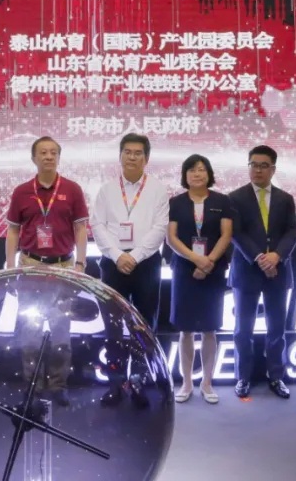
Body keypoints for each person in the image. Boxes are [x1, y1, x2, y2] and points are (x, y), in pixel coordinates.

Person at [4, 136, 89, 406]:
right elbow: (13, 231)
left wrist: (80, 264)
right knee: (30, 333)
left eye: (53, 152)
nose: (49, 157)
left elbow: (80, 229)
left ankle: (58, 385)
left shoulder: (73, 190)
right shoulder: (21, 192)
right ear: (34, 158)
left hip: (63, 267)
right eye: (43, 152)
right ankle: (33, 385)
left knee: (61, 333)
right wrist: (10, 266)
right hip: (30, 266)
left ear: (59, 157)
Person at [91, 133, 169, 407]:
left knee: (144, 325)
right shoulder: (107, 189)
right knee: (112, 325)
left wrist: (134, 256)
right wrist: (117, 255)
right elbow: (97, 225)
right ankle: (115, 383)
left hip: (146, 264)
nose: (132, 157)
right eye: (127, 152)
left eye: (138, 153)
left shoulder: (158, 189)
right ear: (120, 156)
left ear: (146, 158)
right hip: (113, 264)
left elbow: (160, 228)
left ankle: (141, 382)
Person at [228, 145, 296, 400]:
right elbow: (236, 233)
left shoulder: (285, 198)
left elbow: (292, 230)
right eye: (253, 165)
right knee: (242, 330)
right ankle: (243, 377)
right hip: (247, 271)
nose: (258, 170)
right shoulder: (235, 198)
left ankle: (276, 376)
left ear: (273, 169)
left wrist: (277, 257)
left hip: (277, 271)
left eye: (263, 166)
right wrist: (259, 258)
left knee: (276, 329)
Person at [166, 154, 232, 405]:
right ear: (185, 175)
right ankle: (186, 383)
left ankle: (207, 383)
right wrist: (195, 259)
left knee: (209, 328)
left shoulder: (222, 201)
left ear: (209, 173)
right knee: (185, 329)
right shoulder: (176, 202)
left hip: (213, 269)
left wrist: (208, 261)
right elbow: (171, 238)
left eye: (202, 169)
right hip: (184, 269)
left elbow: (226, 235)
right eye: (192, 170)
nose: (197, 174)